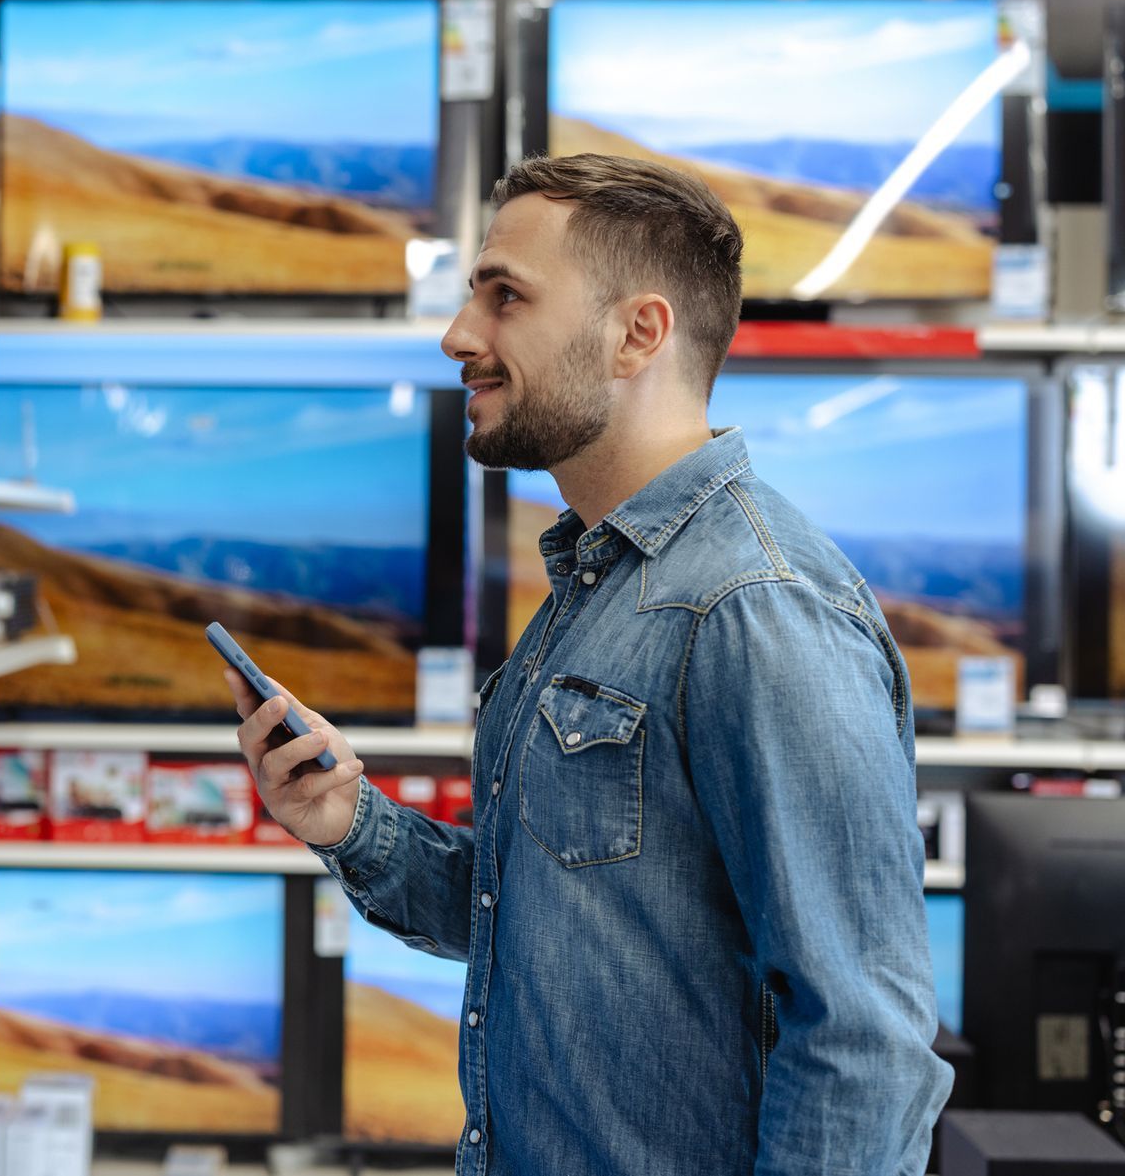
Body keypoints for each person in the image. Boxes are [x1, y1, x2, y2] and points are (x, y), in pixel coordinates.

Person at [229, 153, 952, 1176]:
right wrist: (355, 826)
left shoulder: (759, 609)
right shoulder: (598, 582)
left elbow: (865, 1048)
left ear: (637, 333)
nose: (458, 337)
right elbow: (535, 917)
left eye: (504, 297)